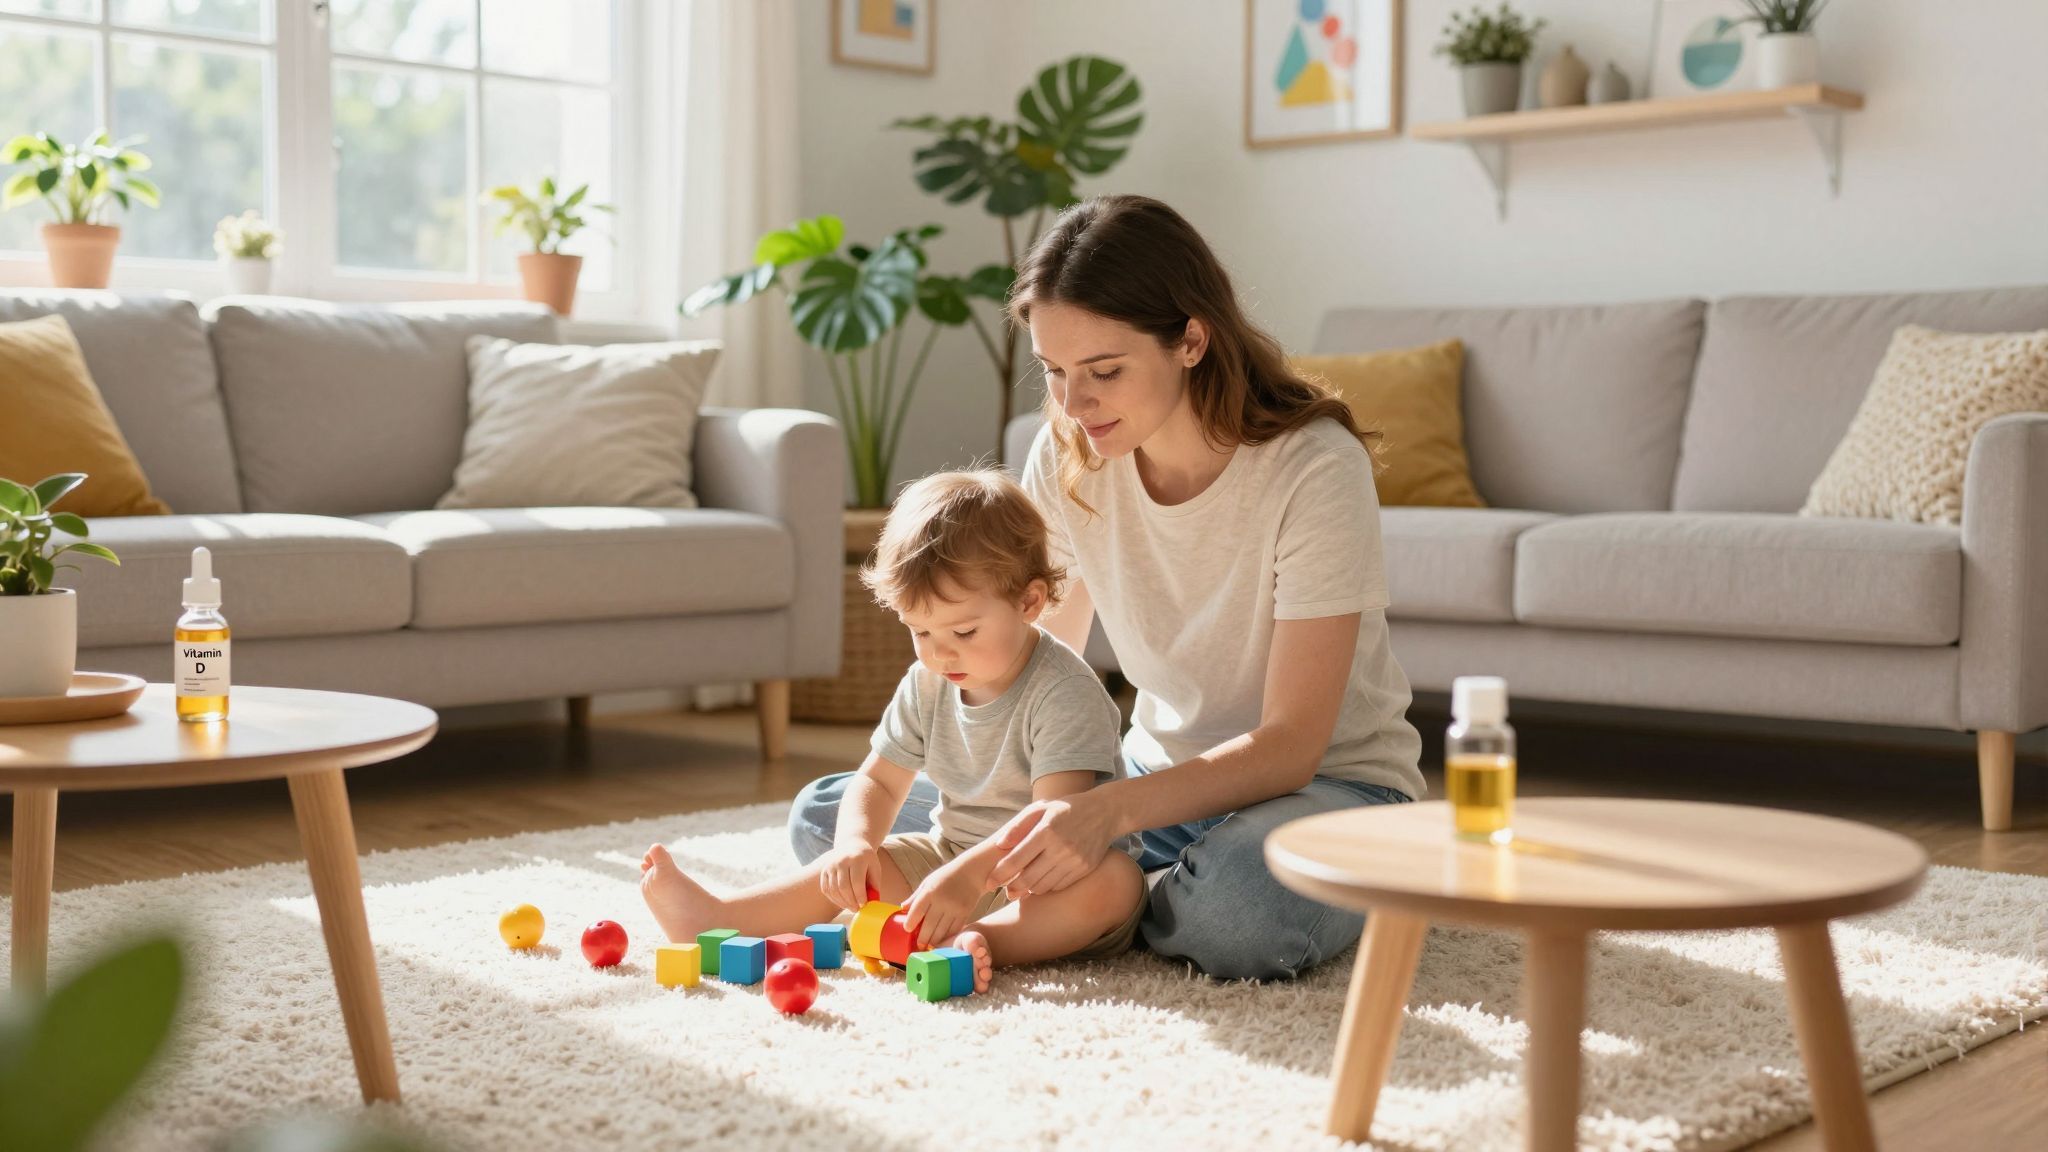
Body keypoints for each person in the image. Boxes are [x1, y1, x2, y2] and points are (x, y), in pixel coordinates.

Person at [787, 194, 1424, 981]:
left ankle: (1113, 898)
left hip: (1326, 787)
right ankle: (1113, 896)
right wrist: (1050, 808)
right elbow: (1028, 662)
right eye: (1054, 371)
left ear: (1191, 340)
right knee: (828, 817)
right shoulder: (1070, 455)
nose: (1073, 403)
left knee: (1236, 914)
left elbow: (1291, 745)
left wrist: (1097, 818)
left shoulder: (1314, 468)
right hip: (1146, 785)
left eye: (1105, 371)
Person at [641, 469, 1143, 989]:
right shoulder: (928, 682)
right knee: (866, 863)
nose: (939, 653)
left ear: (1029, 603)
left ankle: (982, 940)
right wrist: (854, 845)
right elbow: (879, 782)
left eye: (964, 631)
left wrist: (969, 878)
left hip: (1050, 877)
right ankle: (721, 920)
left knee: (1117, 883)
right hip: (950, 858)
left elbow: (1050, 828)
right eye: (919, 631)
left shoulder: (1064, 692)